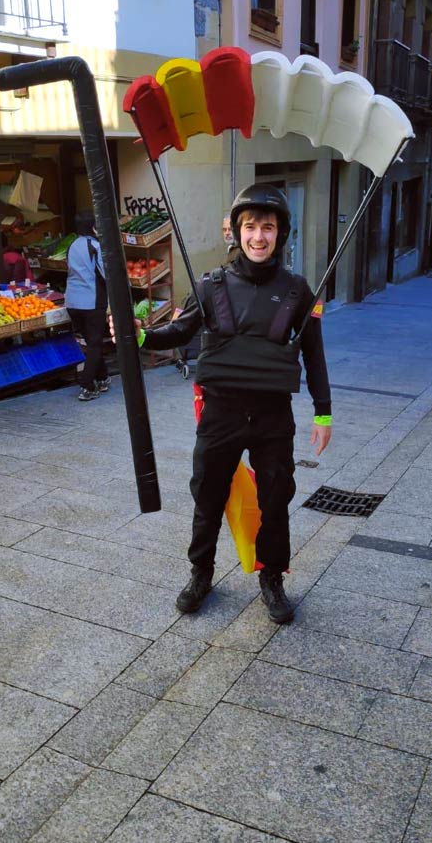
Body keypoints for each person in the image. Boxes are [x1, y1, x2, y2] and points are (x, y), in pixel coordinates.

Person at [110, 185, 332, 624]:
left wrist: (323, 411)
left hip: (272, 417)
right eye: (251, 227)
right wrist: (139, 336)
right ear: (237, 231)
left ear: (280, 233)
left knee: (275, 499)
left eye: (268, 228)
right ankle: (201, 573)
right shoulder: (211, 286)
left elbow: (314, 353)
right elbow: (179, 333)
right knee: (207, 496)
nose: (259, 237)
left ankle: (272, 579)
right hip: (221, 413)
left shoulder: (298, 291)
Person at [65, 211, 111, 401]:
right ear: (93, 227)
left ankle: (102, 377)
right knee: (95, 343)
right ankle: (87, 385)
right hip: (91, 302)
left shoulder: (72, 245)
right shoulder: (95, 246)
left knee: (91, 341)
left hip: (72, 302)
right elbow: (106, 273)